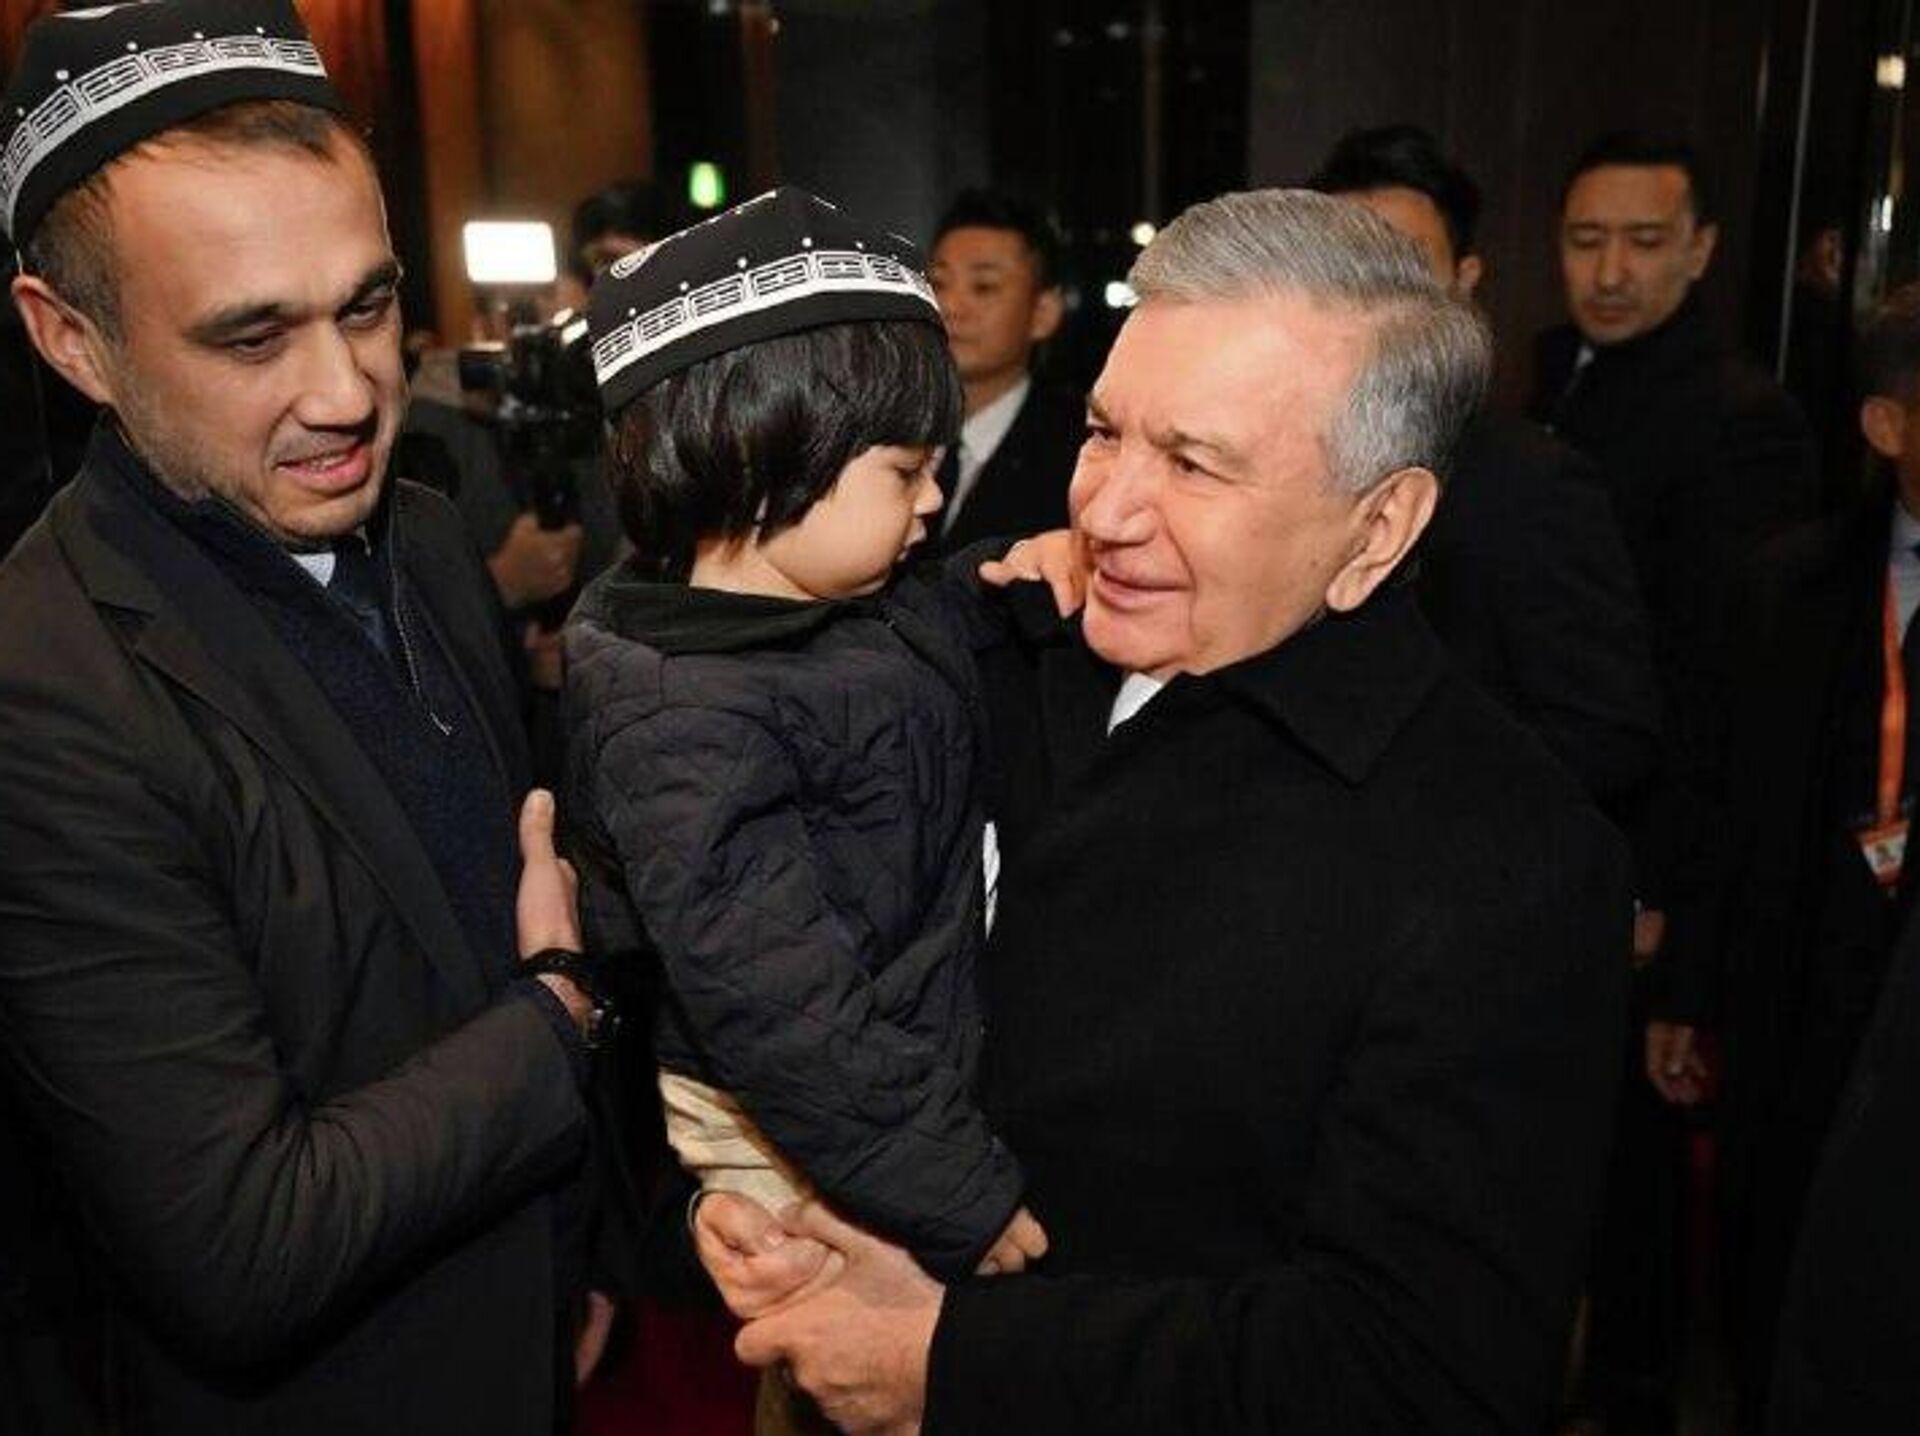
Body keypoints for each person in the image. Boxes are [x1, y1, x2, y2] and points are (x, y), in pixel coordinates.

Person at [695, 188, 1633, 1436]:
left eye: (1193, 464)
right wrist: (751, 1194)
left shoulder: (1506, 855)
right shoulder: (989, 643)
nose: (1107, 508)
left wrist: (953, 1361)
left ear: (1380, 525)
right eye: (1104, 432)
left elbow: (1423, 1366)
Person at [0, 4, 610, 1430]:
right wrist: (558, 1018)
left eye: (368, 306)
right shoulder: (42, 689)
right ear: (73, 340)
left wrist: (572, 1255)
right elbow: (240, 1243)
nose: (346, 394)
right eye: (252, 335)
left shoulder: (432, 537)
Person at [1531, 131, 1819, 1434]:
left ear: (1699, 251)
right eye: (1587, 241)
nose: (1611, 271)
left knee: (1631, 1171)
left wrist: (1670, 896)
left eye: (1644, 243)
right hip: (1556, 834)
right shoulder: (1552, 373)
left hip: (1652, 857)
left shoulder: (1739, 417)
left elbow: (1726, 693)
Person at [1707, 282, 1920, 1431]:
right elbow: (1728, 800)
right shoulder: (1792, 582)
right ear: (1887, 425)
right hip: (1803, 1000)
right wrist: (1689, 991)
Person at [1309, 124, 1660, 817]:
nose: (1370, 301)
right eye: (1343, 269)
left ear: (1463, 283)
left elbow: (1607, 735)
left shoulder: (1530, 483)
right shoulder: (1273, 456)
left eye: (1404, 269)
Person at [924, 188, 1085, 553]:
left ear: (1043, 313)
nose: (950, 306)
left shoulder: (1077, 456)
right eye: (938, 283)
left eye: (983, 287)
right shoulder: (877, 429)